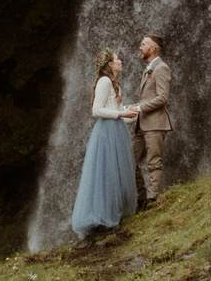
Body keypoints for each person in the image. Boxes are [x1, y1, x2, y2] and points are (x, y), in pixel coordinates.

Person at [69, 47, 141, 238]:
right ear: (110, 64)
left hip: (116, 132)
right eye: (118, 59)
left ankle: (112, 217)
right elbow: (97, 110)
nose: (121, 61)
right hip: (107, 134)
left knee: (115, 176)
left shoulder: (114, 83)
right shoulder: (103, 81)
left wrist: (132, 113)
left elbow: (116, 112)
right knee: (106, 175)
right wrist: (122, 113)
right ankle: (103, 219)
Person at [130, 33, 172, 207]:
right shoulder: (148, 68)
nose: (140, 47)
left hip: (155, 123)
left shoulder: (162, 68)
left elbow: (163, 97)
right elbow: (148, 97)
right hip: (142, 124)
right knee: (129, 160)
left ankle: (151, 198)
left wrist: (140, 108)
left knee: (154, 161)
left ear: (153, 48)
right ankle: (141, 196)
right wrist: (132, 108)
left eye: (143, 44)